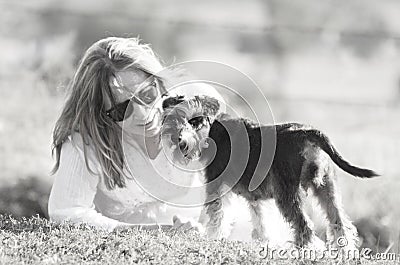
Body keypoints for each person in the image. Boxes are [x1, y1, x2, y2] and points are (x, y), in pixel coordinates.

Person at [48, 37, 225, 232]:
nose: (143, 114)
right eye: (122, 110)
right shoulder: (85, 142)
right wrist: (159, 232)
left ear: (158, 82)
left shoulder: (198, 105)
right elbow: (67, 212)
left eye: (147, 94)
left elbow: (228, 175)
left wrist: (206, 229)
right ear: (100, 113)